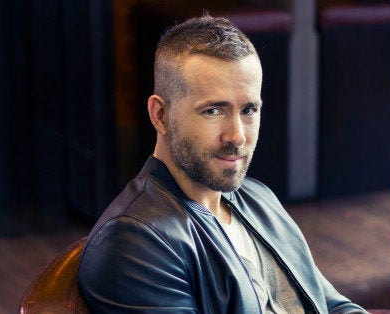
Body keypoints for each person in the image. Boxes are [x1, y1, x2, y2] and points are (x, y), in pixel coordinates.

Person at [78, 14, 367, 313]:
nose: (237, 136)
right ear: (160, 115)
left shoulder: (258, 198)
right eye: (214, 111)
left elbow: (331, 305)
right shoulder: (134, 241)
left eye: (249, 109)